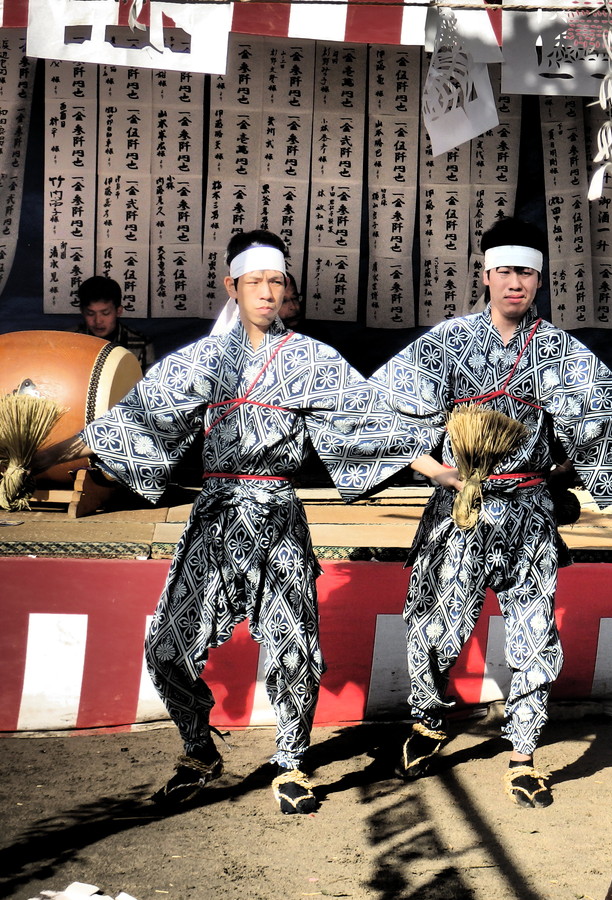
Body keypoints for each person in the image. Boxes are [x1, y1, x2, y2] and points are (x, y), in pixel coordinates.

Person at [34, 230, 412, 814]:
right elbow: (131, 420)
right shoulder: (205, 359)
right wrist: (42, 457)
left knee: (295, 653)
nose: (267, 291)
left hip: (280, 516)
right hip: (215, 519)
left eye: (276, 281)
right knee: (166, 649)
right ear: (231, 287)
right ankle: (198, 751)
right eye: (255, 281)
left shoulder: (312, 360)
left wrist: (440, 469)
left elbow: (373, 423)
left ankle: (291, 763)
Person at [370, 217, 612, 808]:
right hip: (460, 507)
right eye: (504, 271)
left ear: (539, 278)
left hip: (527, 511)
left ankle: (522, 753)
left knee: (532, 636)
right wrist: (438, 470)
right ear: (486, 274)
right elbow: (381, 413)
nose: (515, 283)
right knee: (435, 630)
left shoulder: (558, 350)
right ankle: (430, 717)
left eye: (526, 272)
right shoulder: (448, 343)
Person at [74, 275, 156, 369]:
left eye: (105, 313)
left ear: (118, 311)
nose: (98, 321)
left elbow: (148, 383)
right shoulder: (67, 341)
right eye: (90, 313)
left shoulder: (140, 345)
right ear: (82, 312)